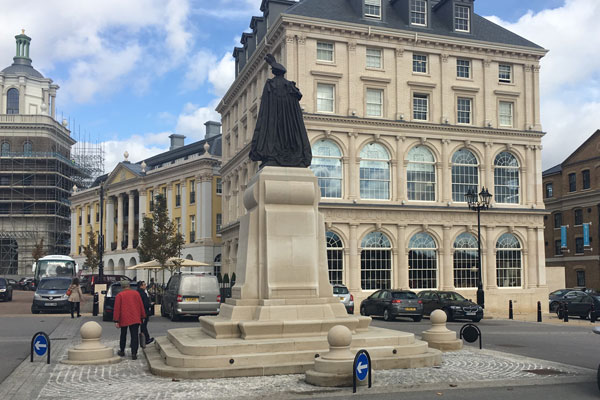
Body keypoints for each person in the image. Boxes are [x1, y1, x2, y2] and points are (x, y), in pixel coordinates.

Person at [113, 280, 146, 360]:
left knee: (123, 334)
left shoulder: (120, 295)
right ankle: (134, 353)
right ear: (129, 286)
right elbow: (141, 305)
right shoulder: (136, 293)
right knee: (134, 335)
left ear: (122, 286)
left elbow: (117, 309)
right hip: (135, 317)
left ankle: (122, 350)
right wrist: (142, 316)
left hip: (124, 317)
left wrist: (116, 320)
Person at [137, 281, 154, 346]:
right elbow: (145, 304)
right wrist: (150, 304)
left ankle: (143, 339)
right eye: (144, 285)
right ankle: (146, 339)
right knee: (144, 326)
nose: (145, 286)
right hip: (144, 312)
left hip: (138, 311)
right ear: (141, 286)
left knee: (141, 327)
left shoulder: (137, 292)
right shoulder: (143, 293)